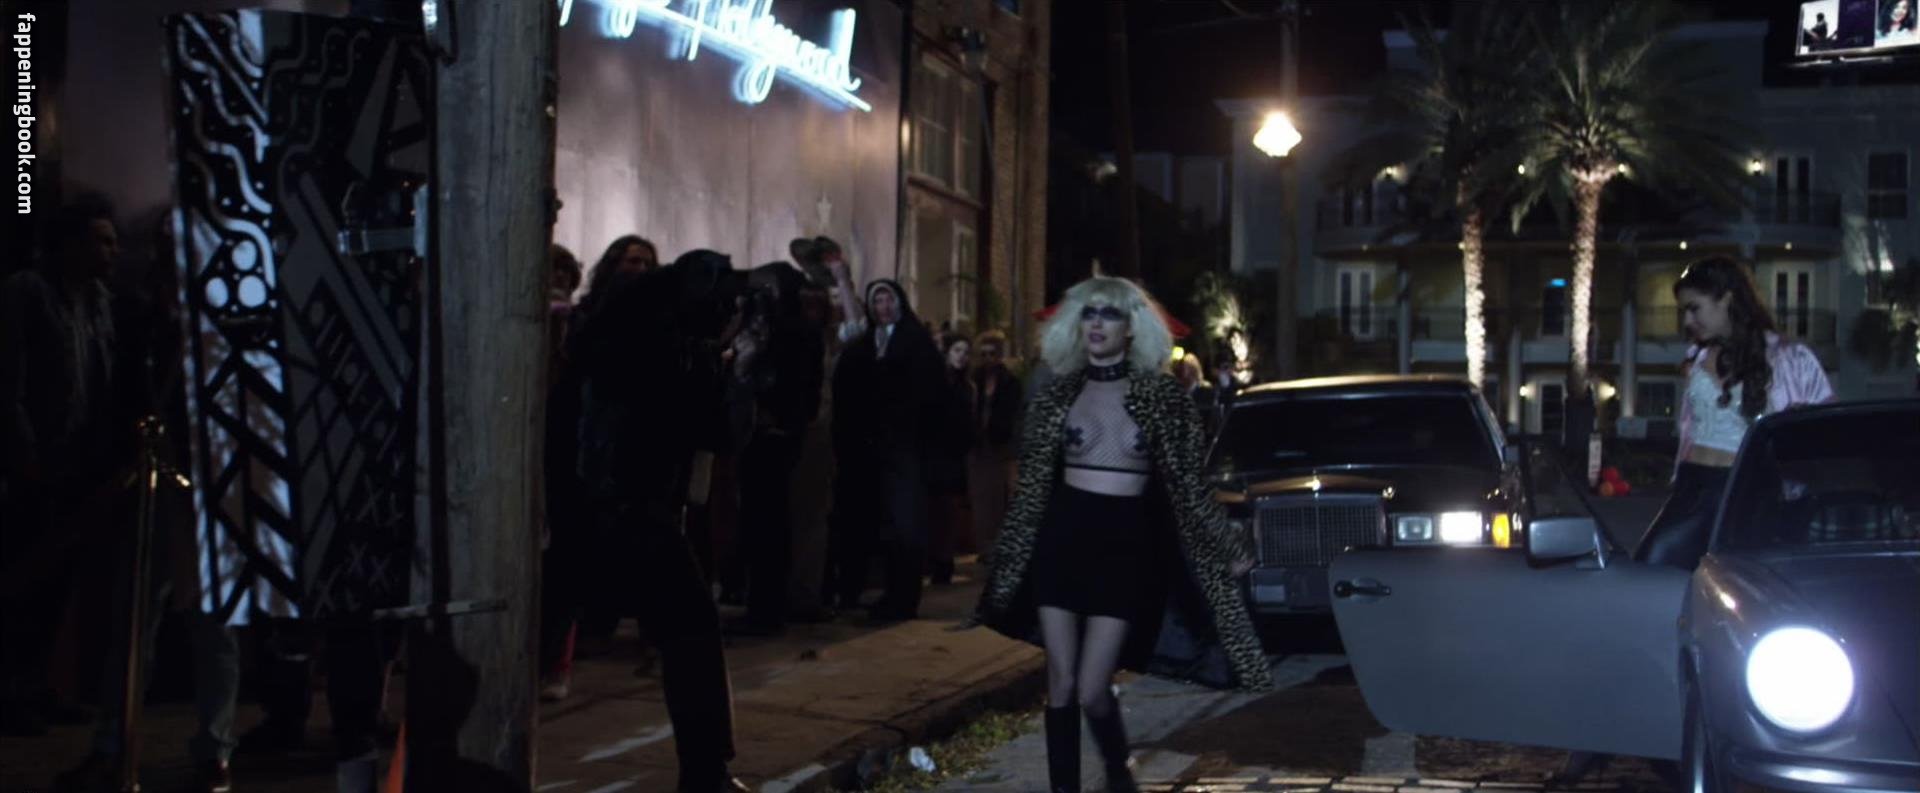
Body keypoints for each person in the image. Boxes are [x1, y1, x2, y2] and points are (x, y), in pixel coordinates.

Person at [973, 276, 1272, 793]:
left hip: (1123, 547)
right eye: (1089, 314)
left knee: (1093, 687)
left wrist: (1229, 550)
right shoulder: (1057, 394)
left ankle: (1117, 772)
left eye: (1109, 314)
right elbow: (1033, 486)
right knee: (1061, 681)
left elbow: (1189, 487)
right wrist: (1006, 555)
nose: (1097, 324)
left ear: (1132, 329)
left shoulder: (1163, 397)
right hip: (1062, 541)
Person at [569, 248, 751, 793]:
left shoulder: (624, 330)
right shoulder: (667, 348)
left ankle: (706, 771)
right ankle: (706, 773)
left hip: (609, 504)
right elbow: (721, 430)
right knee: (691, 632)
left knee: (682, 631)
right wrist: (726, 362)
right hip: (633, 506)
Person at [1, 194, 131, 739]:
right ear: (70, 243)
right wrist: (24, 456)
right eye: (101, 241)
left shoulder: (98, 300)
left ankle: (34, 687)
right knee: (21, 575)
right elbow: (9, 383)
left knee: (55, 582)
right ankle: (11, 692)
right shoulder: (26, 292)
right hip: (33, 461)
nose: (113, 251)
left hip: (79, 461)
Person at [1636, 257, 1833, 570]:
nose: (1687, 320)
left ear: (1726, 299)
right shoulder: (1697, 356)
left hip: (1744, 489)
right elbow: (1689, 426)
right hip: (1692, 486)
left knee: (1734, 579)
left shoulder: (1789, 357)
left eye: (1694, 308)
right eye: (1683, 311)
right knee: (1650, 568)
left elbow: (1824, 424)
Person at [826, 278, 945, 621]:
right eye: (877, 302)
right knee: (873, 523)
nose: (884, 308)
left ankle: (903, 597)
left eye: (889, 300)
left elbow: (929, 395)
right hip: (869, 450)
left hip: (906, 449)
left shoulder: (916, 343)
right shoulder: (865, 344)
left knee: (905, 525)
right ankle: (866, 591)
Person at [724, 262, 826, 636]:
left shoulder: (793, 332)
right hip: (756, 433)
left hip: (774, 434)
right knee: (757, 518)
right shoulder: (755, 328)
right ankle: (760, 601)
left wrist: (783, 419)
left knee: (768, 518)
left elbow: (803, 387)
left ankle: (767, 606)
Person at [541, 244, 589, 701]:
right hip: (531, 450)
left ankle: (556, 663)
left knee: (563, 563)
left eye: (563, 270)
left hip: (566, 455)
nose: (557, 277)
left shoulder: (582, 327)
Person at [966, 330, 1022, 564]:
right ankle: (985, 546)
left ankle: (998, 545)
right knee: (980, 498)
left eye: (992, 354)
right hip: (977, 445)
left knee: (998, 498)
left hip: (999, 445)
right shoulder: (974, 380)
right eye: (984, 354)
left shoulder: (1009, 382)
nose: (988, 358)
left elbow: (1013, 414)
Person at [925, 333, 975, 585]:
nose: (962, 356)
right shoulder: (938, 382)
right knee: (936, 508)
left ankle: (943, 560)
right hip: (936, 451)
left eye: (965, 352)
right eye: (957, 350)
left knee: (949, 509)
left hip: (954, 455)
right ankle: (936, 559)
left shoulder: (966, 386)